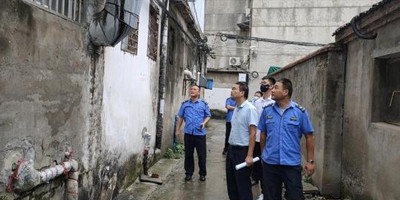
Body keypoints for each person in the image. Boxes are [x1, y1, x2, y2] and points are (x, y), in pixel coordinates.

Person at [258, 78, 315, 200]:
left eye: (276, 87)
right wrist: (263, 154)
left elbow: (309, 136)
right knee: (270, 197)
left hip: (291, 164)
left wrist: (310, 161)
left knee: (295, 196)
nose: (272, 90)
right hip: (270, 163)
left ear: (285, 92)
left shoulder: (299, 112)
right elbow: (263, 134)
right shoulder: (267, 111)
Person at [226, 82, 259, 200]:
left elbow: (253, 133)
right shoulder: (236, 108)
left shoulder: (250, 109)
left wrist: (249, 155)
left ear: (242, 93)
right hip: (232, 150)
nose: (231, 90)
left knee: (243, 185)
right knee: (232, 184)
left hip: (242, 152)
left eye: (234, 89)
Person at [176, 85, 211, 182]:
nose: (192, 90)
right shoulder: (185, 104)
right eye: (191, 89)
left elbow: (208, 115)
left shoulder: (203, 104)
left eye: (194, 89)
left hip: (200, 134)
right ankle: (188, 173)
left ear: (198, 92)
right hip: (188, 133)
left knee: (201, 155)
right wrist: (177, 129)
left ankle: (202, 174)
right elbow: (180, 117)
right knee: (188, 154)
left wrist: (204, 123)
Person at [251, 76, 276, 189]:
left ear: (271, 86)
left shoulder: (274, 102)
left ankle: (266, 189)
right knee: (256, 161)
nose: (262, 85)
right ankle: (256, 179)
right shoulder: (257, 102)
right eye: (261, 83)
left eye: (265, 83)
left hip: (268, 138)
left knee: (266, 164)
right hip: (256, 137)